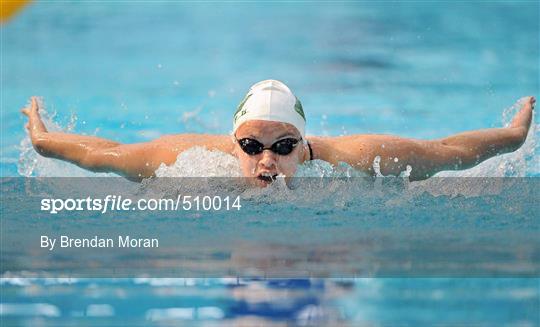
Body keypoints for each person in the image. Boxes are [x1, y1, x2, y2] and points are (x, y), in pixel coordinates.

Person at [22, 79, 535, 186]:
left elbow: (444, 152)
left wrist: (511, 137)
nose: (267, 161)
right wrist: (43, 139)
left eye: (284, 146)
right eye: (251, 146)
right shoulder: (185, 162)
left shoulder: (356, 160)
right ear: (233, 145)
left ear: (304, 144)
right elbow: (105, 154)